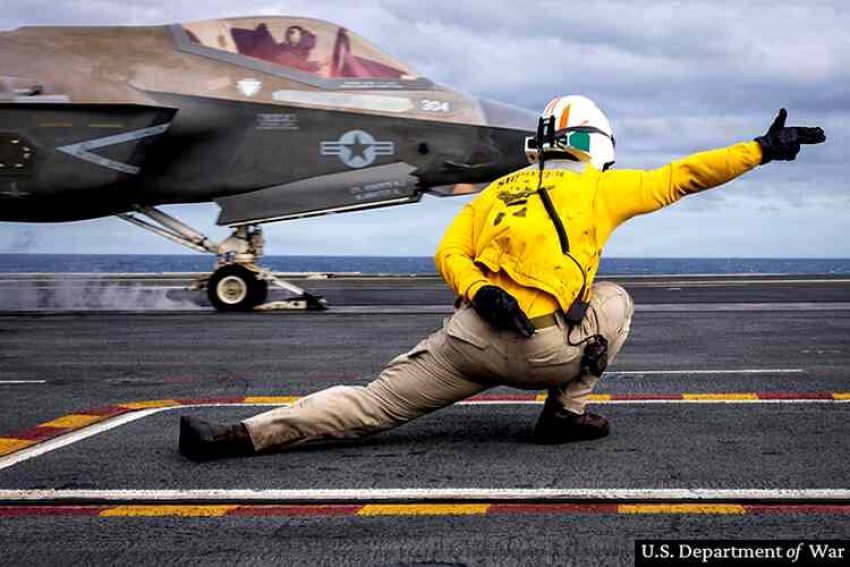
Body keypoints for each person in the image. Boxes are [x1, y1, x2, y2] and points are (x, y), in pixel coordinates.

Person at [178, 96, 825, 461]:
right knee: (615, 300)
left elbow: (447, 252)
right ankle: (566, 414)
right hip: (543, 352)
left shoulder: (496, 190)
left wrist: (479, 290)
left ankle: (238, 435)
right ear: (595, 145)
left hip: (466, 341)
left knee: (371, 404)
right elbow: (684, 175)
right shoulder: (601, 188)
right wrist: (761, 149)